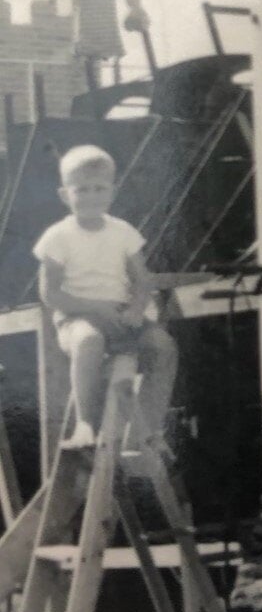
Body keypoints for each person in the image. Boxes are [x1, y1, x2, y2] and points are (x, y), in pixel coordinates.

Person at [34, 144, 178, 449]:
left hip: (121, 316)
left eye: (99, 189)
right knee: (89, 341)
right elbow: (50, 294)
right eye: (81, 190)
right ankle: (85, 424)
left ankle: (148, 429)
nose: (90, 197)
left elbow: (143, 280)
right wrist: (96, 308)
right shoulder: (58, 237)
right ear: (65, 195)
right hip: (78, 319)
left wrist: (137, 310)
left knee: (163, 347)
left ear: (112, 192)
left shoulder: (123, 232)